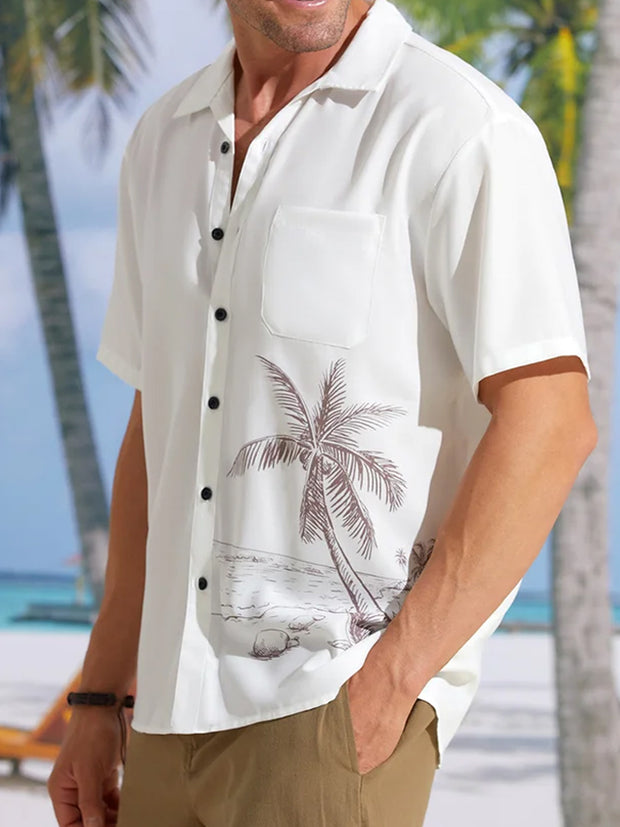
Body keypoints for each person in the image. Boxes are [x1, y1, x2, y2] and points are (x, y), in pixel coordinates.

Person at [47, 0, 597, 824]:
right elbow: (159, 423)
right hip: (160, 717)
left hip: (331, 714)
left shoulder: (459, 128)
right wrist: (98, 692)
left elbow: (551, 421)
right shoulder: (163, 141)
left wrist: (393, 681)